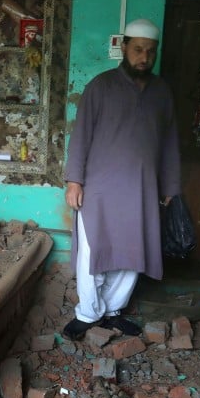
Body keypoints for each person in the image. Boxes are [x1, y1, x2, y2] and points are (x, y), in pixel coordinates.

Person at [62, 18, 181, 340]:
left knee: (133, 252)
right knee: (93, 252)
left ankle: (113, 310)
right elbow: (81, 136)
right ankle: (88, 313)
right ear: (124, 48)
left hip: (142, 190)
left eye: (150, 52)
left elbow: (170, 141)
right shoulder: (100, 87)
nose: (144, 57)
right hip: (98, 190)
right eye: (139, 49)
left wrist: (170, 186)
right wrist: (75, 181)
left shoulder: (161, 93)